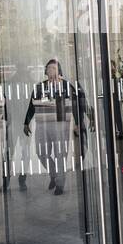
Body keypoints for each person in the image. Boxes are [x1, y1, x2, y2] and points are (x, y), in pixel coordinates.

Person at [23, 59, 90, 195]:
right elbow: (31, 106)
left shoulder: (66, 86)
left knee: (60, 154)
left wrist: (77, 123)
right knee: (41, 153)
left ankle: (60, 184)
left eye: (54, 68)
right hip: (43, 125)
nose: (51, 71)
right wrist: (26, 122)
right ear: (46, 71)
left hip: (61, 125)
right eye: (49, 68)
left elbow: (76, 105)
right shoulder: (39, 87)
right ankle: (53, 175)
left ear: (59, 70)